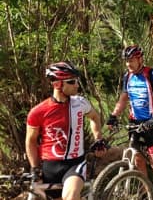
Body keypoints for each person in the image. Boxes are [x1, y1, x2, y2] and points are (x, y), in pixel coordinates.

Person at [26, 62, 106, 200]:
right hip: (49, 167)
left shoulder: (80, 103)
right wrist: (35, 168)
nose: (76, 85)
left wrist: (98, 139)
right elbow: (31, 141)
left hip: (75, 164)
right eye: (72, 81)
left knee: (70, 196)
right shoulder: (38, 111)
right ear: (57, 84)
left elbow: (94, 117)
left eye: (76, 81)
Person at [107, 44, 153, 200]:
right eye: (126, 61)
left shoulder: (152, 74)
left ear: (140, 59)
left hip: (151, 123)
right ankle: (147, 191)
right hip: (134, 122)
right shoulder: (127, 77)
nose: (128, 64)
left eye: (131, 60)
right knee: (138, 160)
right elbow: (123, 99)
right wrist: (114, 115)